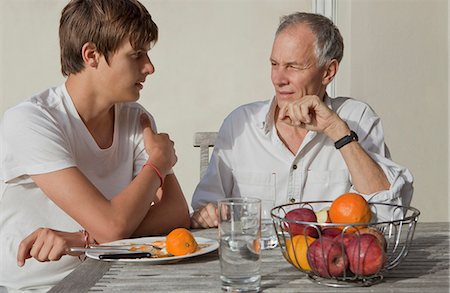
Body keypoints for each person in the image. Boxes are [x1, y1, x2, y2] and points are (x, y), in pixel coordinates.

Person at [0, 0, 190, 291]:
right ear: (91, 55)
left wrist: (82, 238)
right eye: (136, 55)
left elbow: (176, 214)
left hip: (110, 279)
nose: (149, 67)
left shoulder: (135, 119)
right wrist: (159, 162)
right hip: (36, 287)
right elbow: (112, 226)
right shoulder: (30, 121)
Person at [190, 12, 413, 228]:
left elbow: (387, 210)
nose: (278, 79)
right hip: (258, 262)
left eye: (293, 67)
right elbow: (205, 209)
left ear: (328, 72)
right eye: (274, 64)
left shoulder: (358, 118)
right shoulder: (240, 124)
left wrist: (336, 130)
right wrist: (209, 213)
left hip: (328, 262)